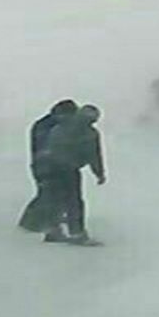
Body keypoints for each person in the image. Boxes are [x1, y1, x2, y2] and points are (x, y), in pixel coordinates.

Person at [36, 104, 106, 245]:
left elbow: (49, 146)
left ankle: (53, 230)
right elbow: (94, 155)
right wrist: (99, 173)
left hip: (51, 167)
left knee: (56, 200)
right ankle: (77, 233)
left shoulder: (60, 127)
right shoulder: (90, 133)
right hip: (69, 169)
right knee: (74, 202)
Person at [18, 99, 79, 232]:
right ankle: (35, 223)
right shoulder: (50, 126)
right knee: (50, 195)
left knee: (47, 194)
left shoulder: (44, 123)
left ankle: (33, 222)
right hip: (46, 165)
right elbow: (47, 146)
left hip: (42, 164)